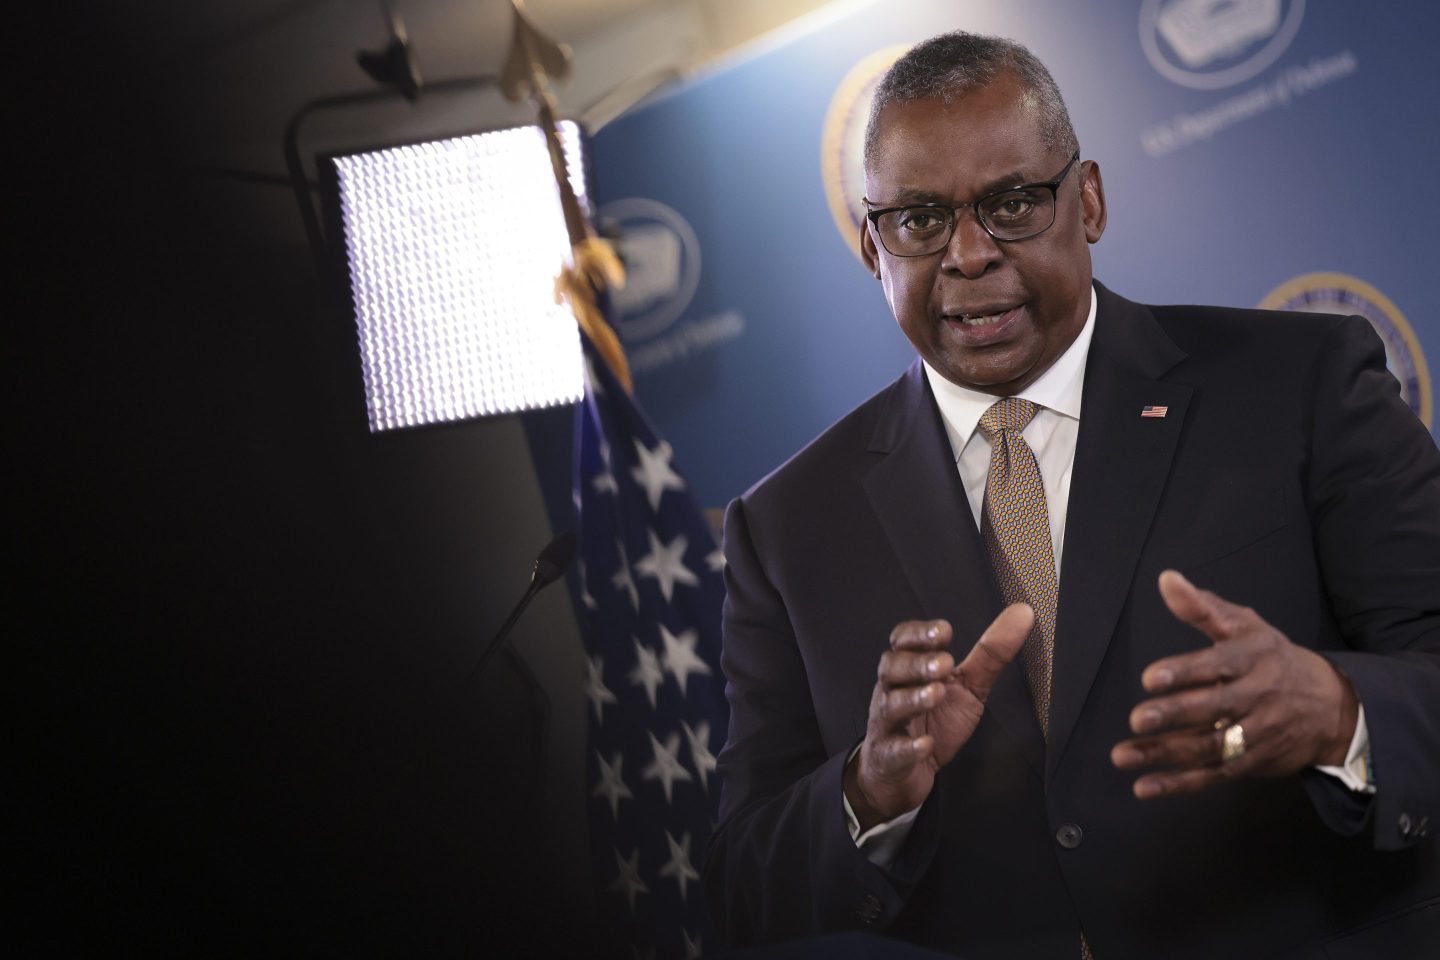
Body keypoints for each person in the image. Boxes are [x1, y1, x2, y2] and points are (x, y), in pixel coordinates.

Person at [703, 31, 1440, 959]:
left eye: (1012, 203)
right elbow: (739, 887)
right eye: (919, 221)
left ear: (1086, 200)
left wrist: (1340, 711)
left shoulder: (1301, 385)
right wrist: (867, 793)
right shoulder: (786, 527)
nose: (967, 254)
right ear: (872, 249)